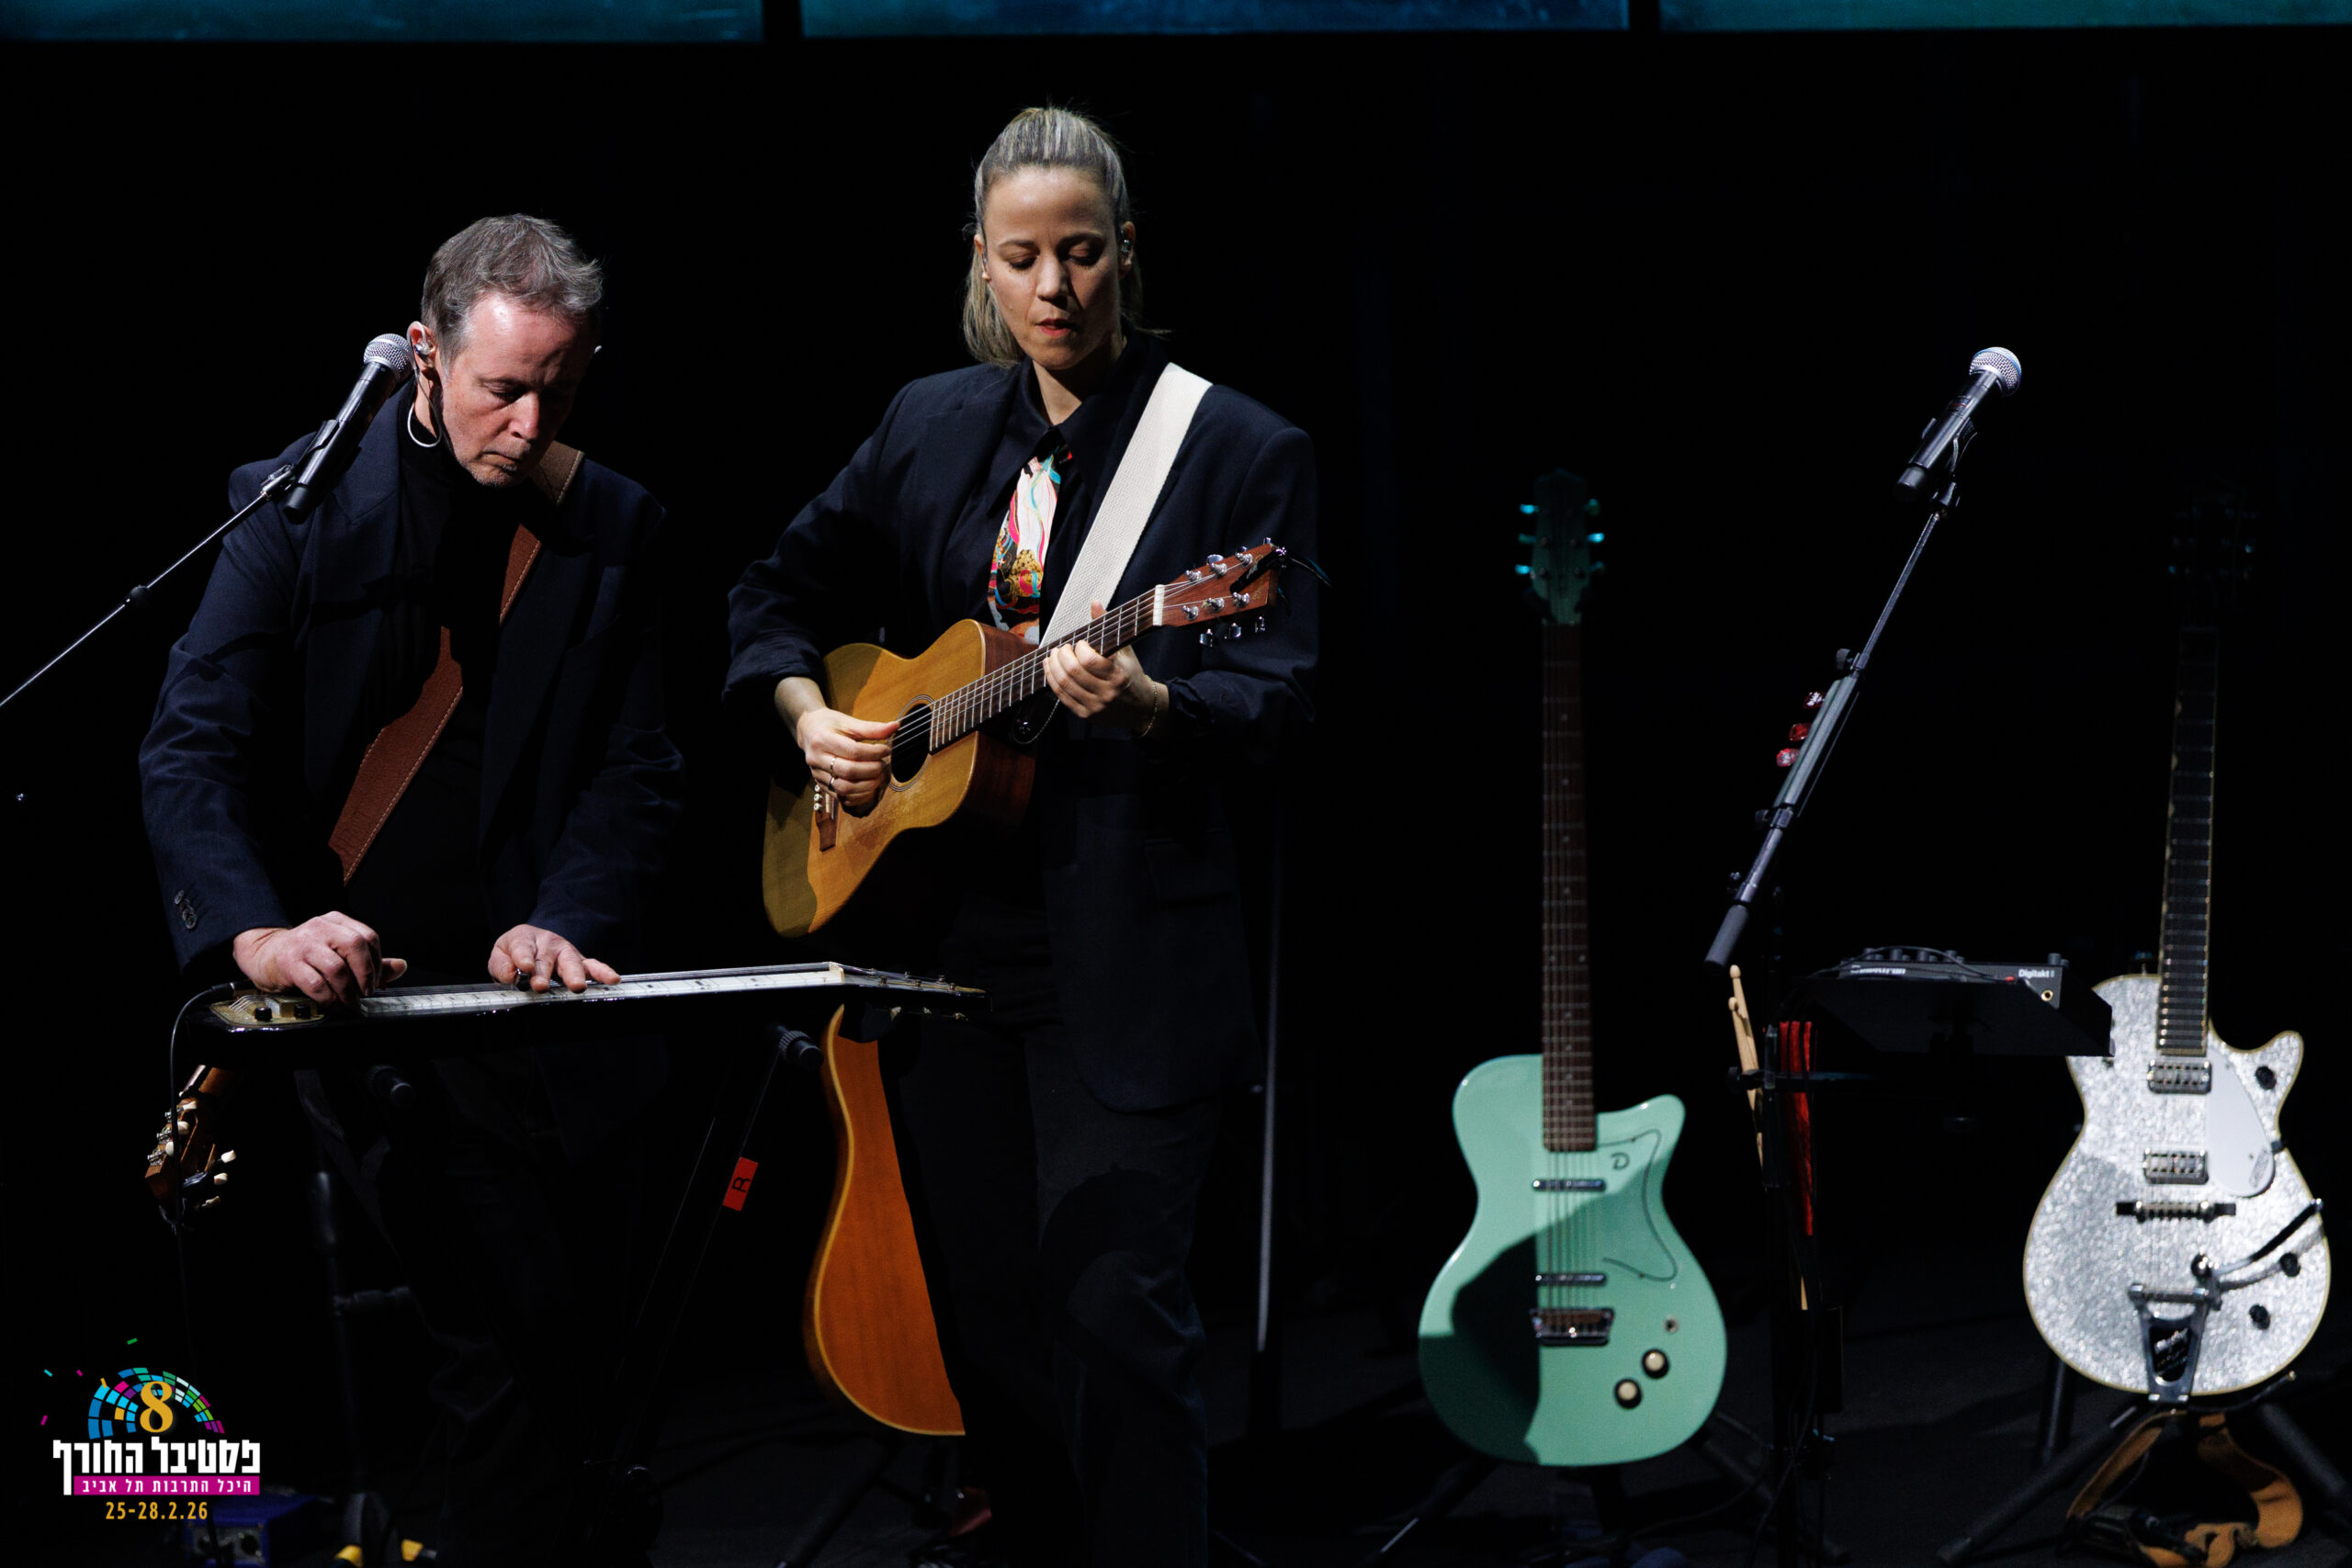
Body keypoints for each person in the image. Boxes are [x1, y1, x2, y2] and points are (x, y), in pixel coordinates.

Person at [726, 107, 1319, 1567]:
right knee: (986, 1327)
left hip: (1128, 956)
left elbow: (1281, 696)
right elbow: (773, 592)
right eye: (1021, 258)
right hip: (938, 951)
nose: (1054, 288)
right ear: (980, 266)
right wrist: (807, 714)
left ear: (1129, 253)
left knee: (1114, 1311)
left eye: (1083, 253)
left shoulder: (1234, 447)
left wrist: (1156, 707)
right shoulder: (928, 423)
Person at [140, 215, 682, 1567]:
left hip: (545, 1009)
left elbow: (639, 770)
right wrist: (257, 932)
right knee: (499, 1358)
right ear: (424, 355)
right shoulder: (297, 507)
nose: (531, 422)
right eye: (504, 388)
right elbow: (192, 746)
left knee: (591, 1384)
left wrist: (566, 917)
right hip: (364, 1014)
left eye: (561, 388)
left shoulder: (613, 526)